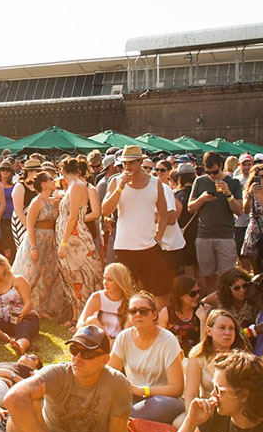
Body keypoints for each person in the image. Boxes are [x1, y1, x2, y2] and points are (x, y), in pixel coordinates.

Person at [102, 145, 171, 295]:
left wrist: (158, 238)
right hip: (124, 246)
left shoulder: (155, 182)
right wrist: (120, 187)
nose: (127, 167)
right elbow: (105, 210)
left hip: (149, 247)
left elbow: (164, 214)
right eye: (124, 163)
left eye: (131, 162)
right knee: (125, 293)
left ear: (140, 162)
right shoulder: (116, 182)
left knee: (157, 292)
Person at [109, 291, 185, 423]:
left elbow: (177, 388)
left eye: (143, 311)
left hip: (161, 399)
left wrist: (143, 391)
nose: (138, 315)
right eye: (133, 311)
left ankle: (120, 420)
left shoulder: (168, 340)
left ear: (155, 315)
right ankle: (125, 420)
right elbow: (109, 372)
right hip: (132, 397)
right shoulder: (124, 337)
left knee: (162, 404)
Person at [13, 170, 73, 324]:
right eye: (51, 179)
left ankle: (41, 307)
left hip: (50, 240)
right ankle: (24, 306)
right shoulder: (36, 201)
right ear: (44, 183)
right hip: (37, 239)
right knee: (32, 273)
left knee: (48, 274)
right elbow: (30, 225)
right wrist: (33, 247)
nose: (54, 180)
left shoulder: (51, 200)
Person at [189, 151, 244, 292]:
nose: (212, 176)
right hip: (204, 235)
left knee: (226, 277)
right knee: (208, 276)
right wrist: (201, 199)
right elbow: (190, 208)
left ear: (221, 166)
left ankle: (225, 306)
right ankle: (212, 306)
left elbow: (239, 211)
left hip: (225, 235)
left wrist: (228, 195)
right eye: (208, 172)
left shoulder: (233, 182)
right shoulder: (200, 181)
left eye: (214, 172)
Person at [0, 251, 38, 355]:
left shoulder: (18, 280)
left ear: (3, 265)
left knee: (21, 327)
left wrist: (22, 314)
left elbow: (28, 303)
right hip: (5, 321)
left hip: (25, 318)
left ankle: (21, 346)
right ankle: (9, 338)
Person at [78, 261, 135, 340]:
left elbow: (129, 330)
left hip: (120, 339)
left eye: (110, 280)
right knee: (91, 320)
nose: (105, 283)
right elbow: (81, 324)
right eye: (104, 279)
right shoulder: (97, 297)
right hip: (99, 338)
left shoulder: (131, 300)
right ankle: (107, 343)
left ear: (120, 282)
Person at [158, 274, 206, 355]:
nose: (197, 296)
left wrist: (203, 319)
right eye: (193, 293)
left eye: (198, 292)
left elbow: (206, 344)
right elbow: (159, 341)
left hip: (195, 358)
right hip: (173, 358)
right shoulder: (166, 313)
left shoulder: (203, 311)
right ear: (181, 296)